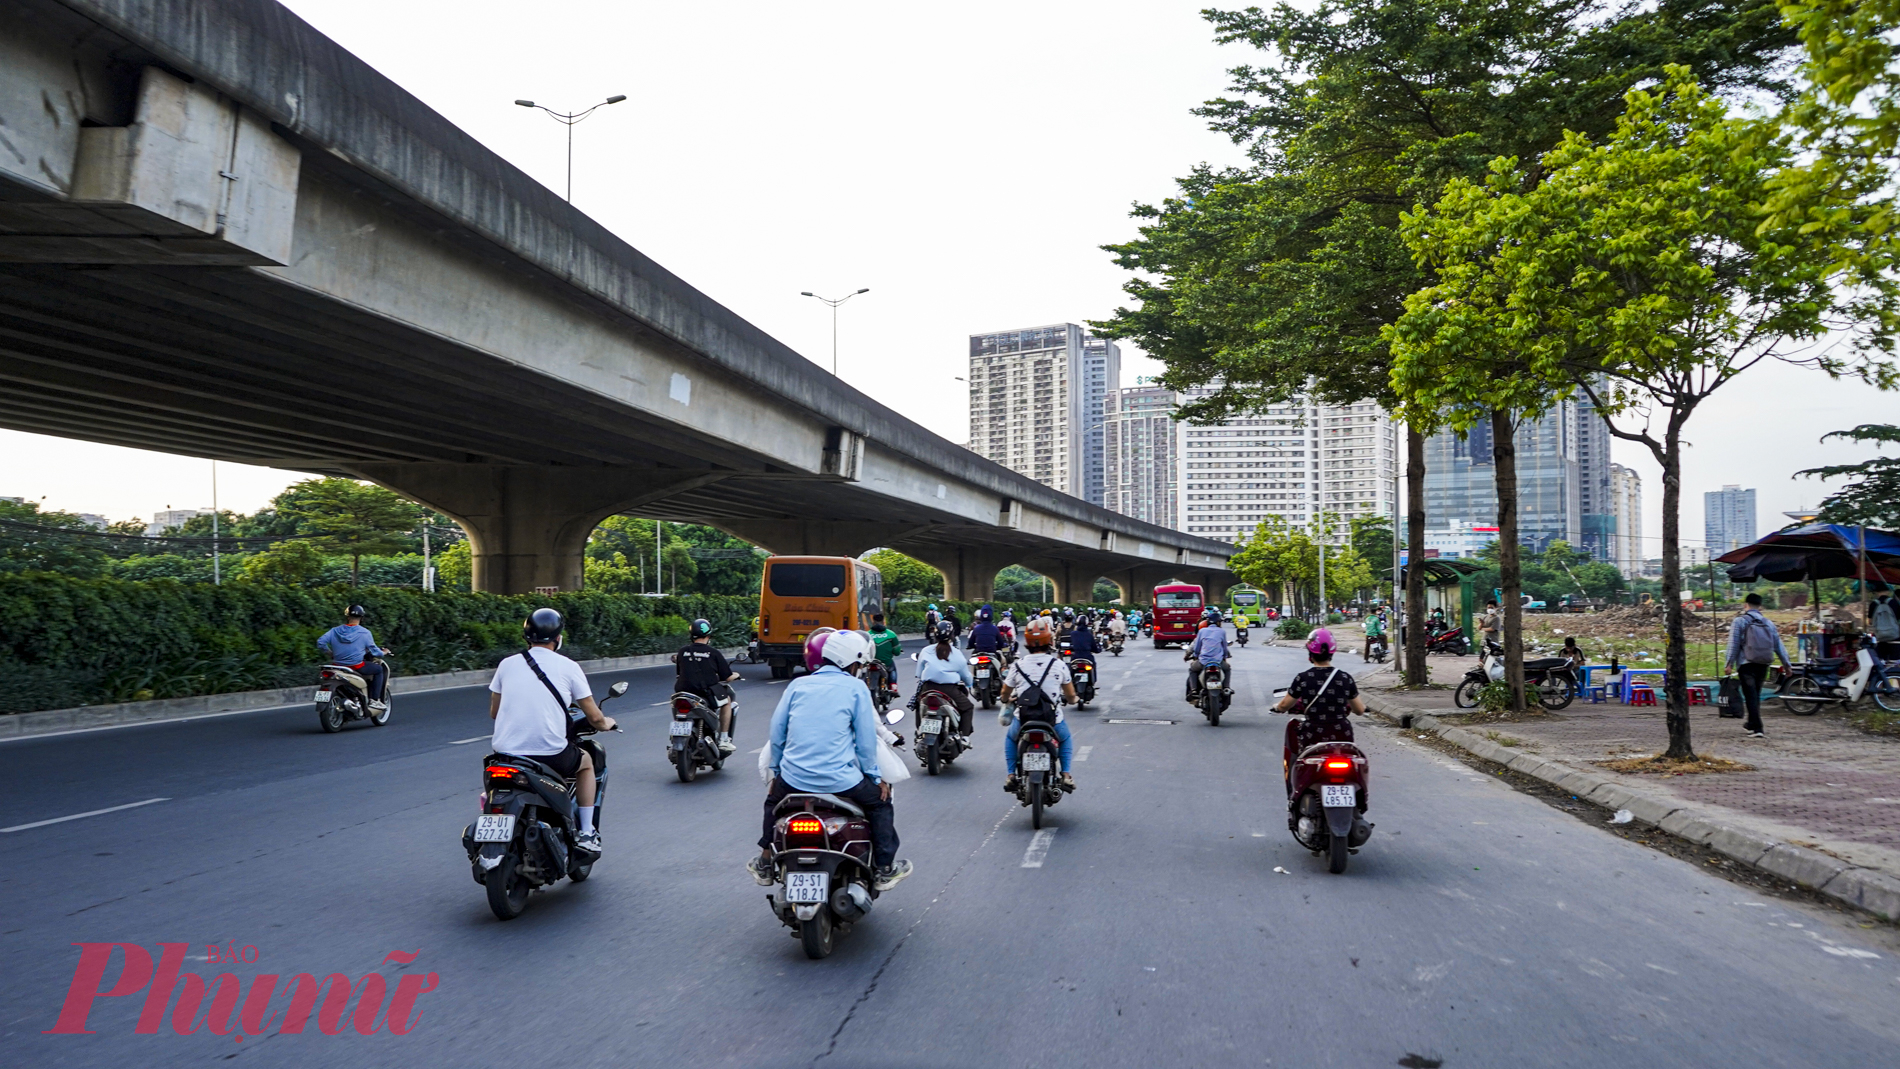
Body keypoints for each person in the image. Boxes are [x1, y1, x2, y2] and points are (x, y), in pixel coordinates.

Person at [749, 629, 911, 890]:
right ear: (852, 661)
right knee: (880, 804)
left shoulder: (797, 685)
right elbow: (866, 742)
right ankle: (883, 868)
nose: (860, 669)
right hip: (842, 782)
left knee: (772, 803)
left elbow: (777, 733)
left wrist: (777, 771)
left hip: (793, 780)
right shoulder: (856, 688)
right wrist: (874, 778)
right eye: (860, 664)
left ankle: (766, 862)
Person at [489, 608, 616, 855]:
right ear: (557, 638)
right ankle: (587, 831)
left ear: (527, 636)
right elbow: (593, 716)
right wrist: (607, 724)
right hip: (549, 754)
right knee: (587, 762)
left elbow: (495, 712)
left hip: (504, 755)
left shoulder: (506, 664)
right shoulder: (568, 666)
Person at [1273, 628, 1367, 789]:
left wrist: (1277, 707)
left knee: (1298, 762)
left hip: (1313, 734)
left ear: (1310, 652)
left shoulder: (1302, 678)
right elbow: (1359, 710)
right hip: (1342, 734)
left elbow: (1284, 705)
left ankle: (1296, 794)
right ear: (1332, 651)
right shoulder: (1345, 678)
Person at [998, 617, 1078, 791]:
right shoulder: (1058, 665)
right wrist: (1073, 700)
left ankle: (1011, 775)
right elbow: (1071, 695)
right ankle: (1065, 774)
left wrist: (1006, 700)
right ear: (1049, 640)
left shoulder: (1017, 665)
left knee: (1011, 738)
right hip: (1052, 719)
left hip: (1024, 719)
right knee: (1065, 738)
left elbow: (1005, 692)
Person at [1726, 592, 1793, 738]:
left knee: (1751, 695)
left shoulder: (1740, 621)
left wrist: (1729, 663)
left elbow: (1734, 644)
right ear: (1760, 606)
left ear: (1746, 605)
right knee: (1755, 694)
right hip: (1763, 663)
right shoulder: (1768, 623)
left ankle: (1758, 728)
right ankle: (1751, 724)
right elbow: (1778, 645)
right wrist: (1786, 664)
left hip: (1746, 663)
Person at [673, 618, 739, 754]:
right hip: (704, 694)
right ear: (708, 636)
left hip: (683, 693)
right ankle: (724, 739)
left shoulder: (682, 652)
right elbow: (727, 676)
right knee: (727, 702)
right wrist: (736, 675)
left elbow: (679, 674)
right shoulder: (713, 653)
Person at [316, 604, 392, 711]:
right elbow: (376, 653)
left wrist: (329, 653)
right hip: (356, 666)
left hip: (337, 666)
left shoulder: (334, 631)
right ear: (361, 618)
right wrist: (384, 652)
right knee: (379, 670)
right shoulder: (365, 633)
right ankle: (374, 700)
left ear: (347, 617)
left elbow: (320, 642)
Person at [914, 620, 976, 737]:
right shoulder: (957, 653)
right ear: (952, 635)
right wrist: (969, 684)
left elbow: (919, 674)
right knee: (968, 707)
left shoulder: (926, 651)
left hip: (928, 687)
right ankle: (965, 737)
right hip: (949, 690)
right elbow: (966, 677)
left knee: (918, 704)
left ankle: (919, 731)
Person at [1184, 609, 1230, 699]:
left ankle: (1194, 689)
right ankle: (1226, 687)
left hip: (1203, 661)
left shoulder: (1202, 631)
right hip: (1218, 661)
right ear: (1218, 622)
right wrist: (1225, 657)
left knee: (1192, 670)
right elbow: (1224, 647)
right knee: (1227, 669)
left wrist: (1196, 655)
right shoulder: (1222, 632)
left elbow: (1197, 647)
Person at [868, 613, 903, 700]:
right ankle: (893, 687)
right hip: (886, 662)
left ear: (873, 622)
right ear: (884, 622)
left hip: (871, 662)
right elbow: (897, 651)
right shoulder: (891, 635)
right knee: (892, 670)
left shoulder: (867, 635)